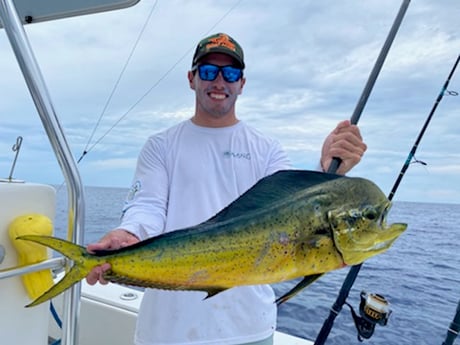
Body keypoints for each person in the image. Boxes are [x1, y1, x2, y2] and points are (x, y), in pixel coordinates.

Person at [86, 32, 367, 345]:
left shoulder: (267, 149)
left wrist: (327, 171)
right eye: (208, 71)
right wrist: (130, 233)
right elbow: (148, 206)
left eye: (230, 73)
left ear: (242, 84)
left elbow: (294, 212)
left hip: (248, 329)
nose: (219, 81)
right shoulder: (161, 146)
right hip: (167, 331)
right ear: (192, 79)